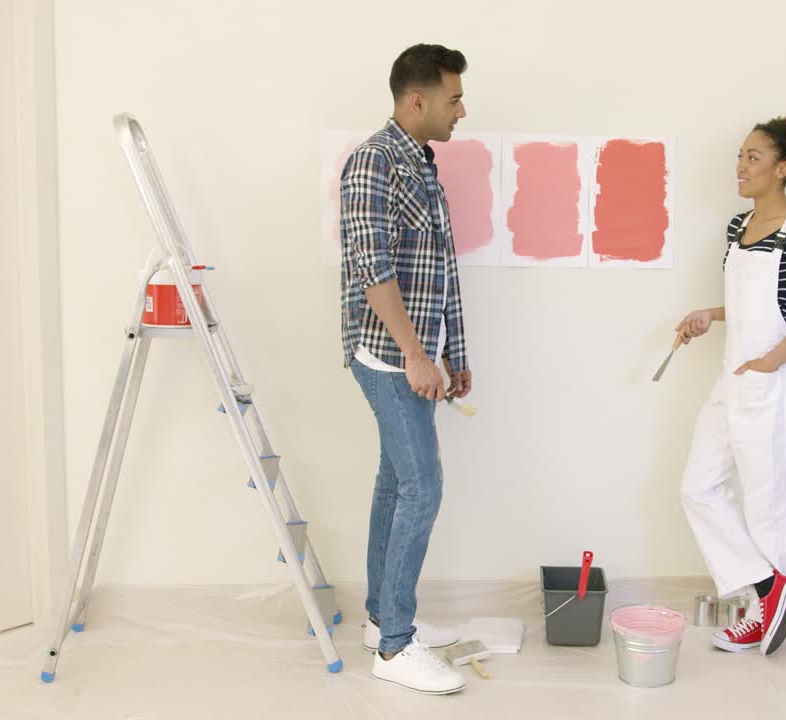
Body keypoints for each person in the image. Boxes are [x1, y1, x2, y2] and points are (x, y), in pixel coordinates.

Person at [339, 43, 472, 695]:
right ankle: (394, 648)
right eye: (454, 98)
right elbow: (374, 270)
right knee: (424, 486)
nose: (462, 110)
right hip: (387, 356)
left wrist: (456, 353)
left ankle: (377, 620)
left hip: (419, 356)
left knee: (397, 485)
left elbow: (441, 268)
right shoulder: (372, 161)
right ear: (415, 99)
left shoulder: (422, 161)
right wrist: (417, 356)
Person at [677, 111, 786, 656]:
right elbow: (746, 305)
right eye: (739, 157)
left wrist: (769, 364)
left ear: (782, 167)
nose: (740, 167)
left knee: (769, 505)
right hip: (733, 376)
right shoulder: (735, 228)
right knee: (698, 486)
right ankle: (770, 589)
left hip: (771, 378)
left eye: (752, 157)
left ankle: (767, 617)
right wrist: (709, 314)